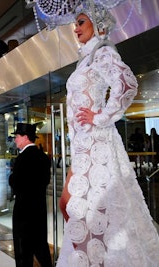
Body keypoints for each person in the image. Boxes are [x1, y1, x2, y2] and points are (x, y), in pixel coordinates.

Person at [58, 2, 159, 266]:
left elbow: (127, 83)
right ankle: (93, 259)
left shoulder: (102, 53)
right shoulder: (86, 59)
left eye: (81, 22)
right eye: (75, 23)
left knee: (89, 210)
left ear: (97, 25)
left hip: (97, 142)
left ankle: (101, 260)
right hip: (82, 146)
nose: (75, 28)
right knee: (74, 207)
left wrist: (100, 117)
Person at [9, 123, 52, 267]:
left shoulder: (23, 158)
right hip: (39, 209)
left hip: (23, 211)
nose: (15, 140)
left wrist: (12, 177)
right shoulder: (43, 157)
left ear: (25, 137)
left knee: (23, 250)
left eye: (17, 136)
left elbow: (15, 182)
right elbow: (45, 180)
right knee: (40, 246)